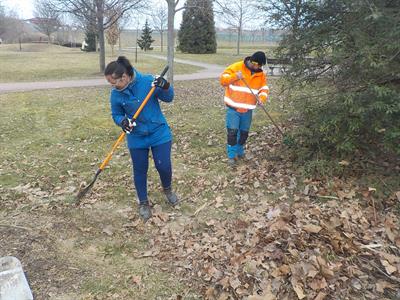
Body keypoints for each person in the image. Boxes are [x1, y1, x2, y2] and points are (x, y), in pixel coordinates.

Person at [104, 56, 178, 221]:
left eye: (113, 82)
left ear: (124, 77)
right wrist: (123, 121)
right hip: (137, 137)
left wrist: (165, 86)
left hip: (159, 132)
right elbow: (116, 114)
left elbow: (169, 98)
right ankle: (143, 202)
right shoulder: (116, 94)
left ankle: (168, 189)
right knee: (140, 169)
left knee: (163, 166)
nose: (112, 86)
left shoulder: (148, 81)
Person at [219, 51, 269, 166]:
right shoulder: (236, 67)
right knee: (232, 132)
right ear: (252, 61)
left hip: (248, 111)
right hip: (233, 109)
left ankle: (240, 151)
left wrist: (261, 98)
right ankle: (231, 155)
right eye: (256, 65)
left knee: (243, 133)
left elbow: (264, 88)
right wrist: (235, 76)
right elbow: (223, 80)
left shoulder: (260, 74)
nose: (257, 68)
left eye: (260, 66)